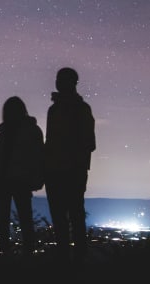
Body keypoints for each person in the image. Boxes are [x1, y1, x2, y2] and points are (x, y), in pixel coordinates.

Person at [44, 67, 96, 263]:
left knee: (72, 216)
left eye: (62, 80)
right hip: (61, 171)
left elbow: (89, 143)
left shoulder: (79, 109)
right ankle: (67, 259)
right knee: (65, 217)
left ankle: (74, 259)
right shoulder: (55, 110)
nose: (58, 83)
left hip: (70, 171)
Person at [0, 96, 44, 257]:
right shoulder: (25, 131)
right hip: (10, 181)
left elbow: (38, 157)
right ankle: (15, 253)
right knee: (18, 218)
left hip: (17, 181)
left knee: (18, 218)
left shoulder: (23, 131)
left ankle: (21, 253)